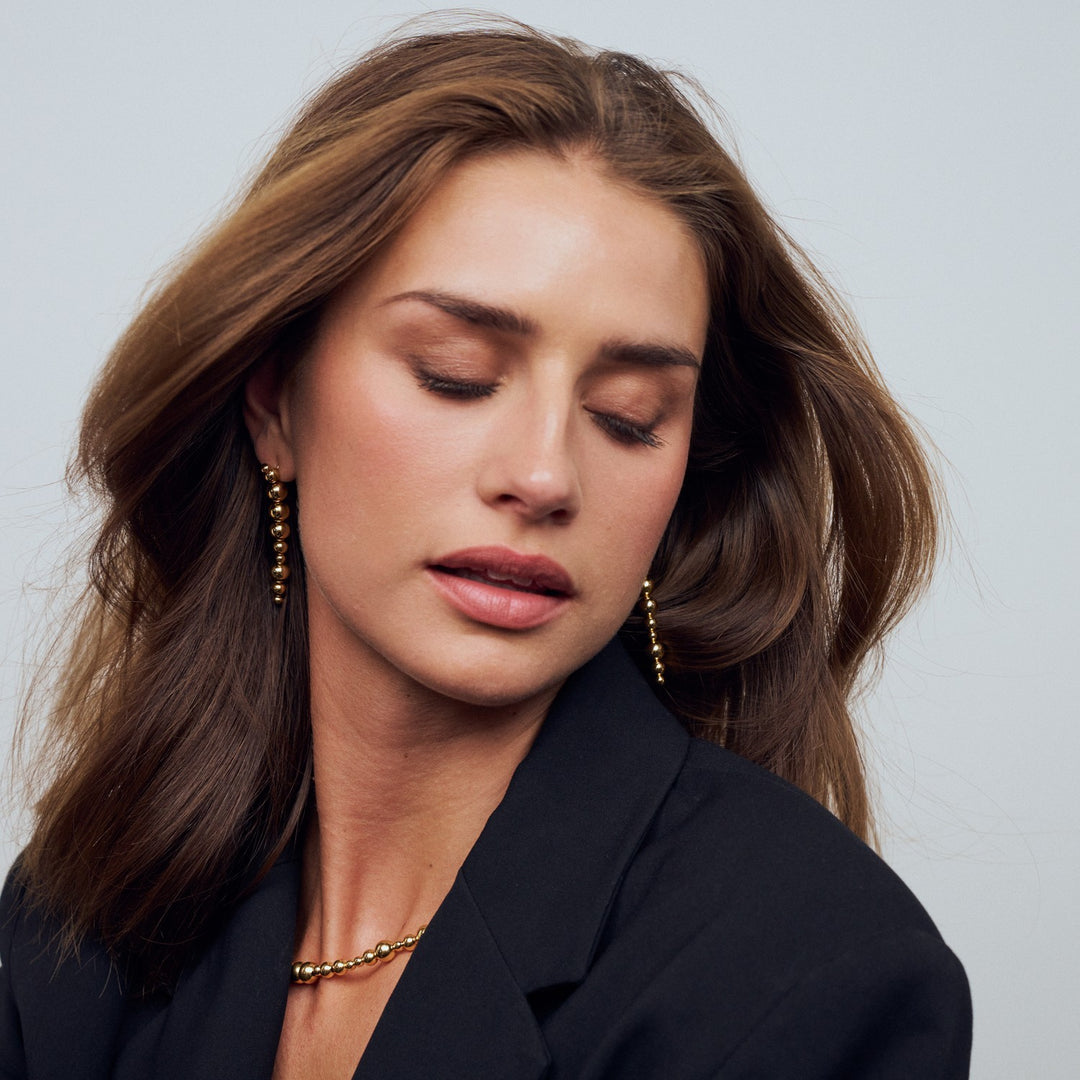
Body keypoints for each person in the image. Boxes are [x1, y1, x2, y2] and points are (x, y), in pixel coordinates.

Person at [0, 19, 971, 1080]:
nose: (545, 475)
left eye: (631, 416)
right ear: (277, 404)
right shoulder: (77, 916)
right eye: (455, 373)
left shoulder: (817, 971)